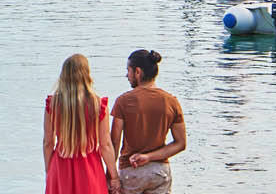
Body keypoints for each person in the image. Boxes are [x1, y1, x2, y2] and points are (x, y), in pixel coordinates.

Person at [112, 50, 186, 194]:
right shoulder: (171, 101)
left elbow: (114, 141)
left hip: (131, 171)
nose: (127, 75)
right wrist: (148, 157)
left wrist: (112, 174)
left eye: (128, 70)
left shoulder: (123, 101)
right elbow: (181, 144)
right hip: (159, 172)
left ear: (138, 72)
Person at [45, 54, 119, 194]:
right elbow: (105, 145)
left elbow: (48, 142)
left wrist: (49, 171)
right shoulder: (98, 105)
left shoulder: (53, 104)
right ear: (87, 75)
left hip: (60, 166)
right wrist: (114, 176)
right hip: (90, 167)